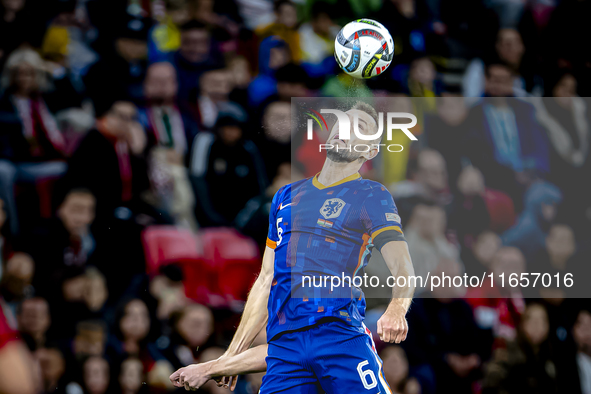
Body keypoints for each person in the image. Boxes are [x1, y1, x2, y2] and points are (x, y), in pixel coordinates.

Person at [171, 101, 415, 392]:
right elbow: (265, 279)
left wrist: (397, 309)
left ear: (369, 151)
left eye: (360, 128)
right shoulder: (286, 196)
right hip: (285, 348)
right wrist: (231, 355)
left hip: (340, 336)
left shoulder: (372, 195)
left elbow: (402, 266)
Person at [0, 48, 68, 235]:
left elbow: (70, 91)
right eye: (19, 73)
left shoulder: (44, 100)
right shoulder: (4, 101)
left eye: (29, 73)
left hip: (40, 160)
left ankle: (60, 226)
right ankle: (12, 229)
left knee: (69, 168)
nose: (24, 78)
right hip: (13, 159)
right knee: (3, 172)